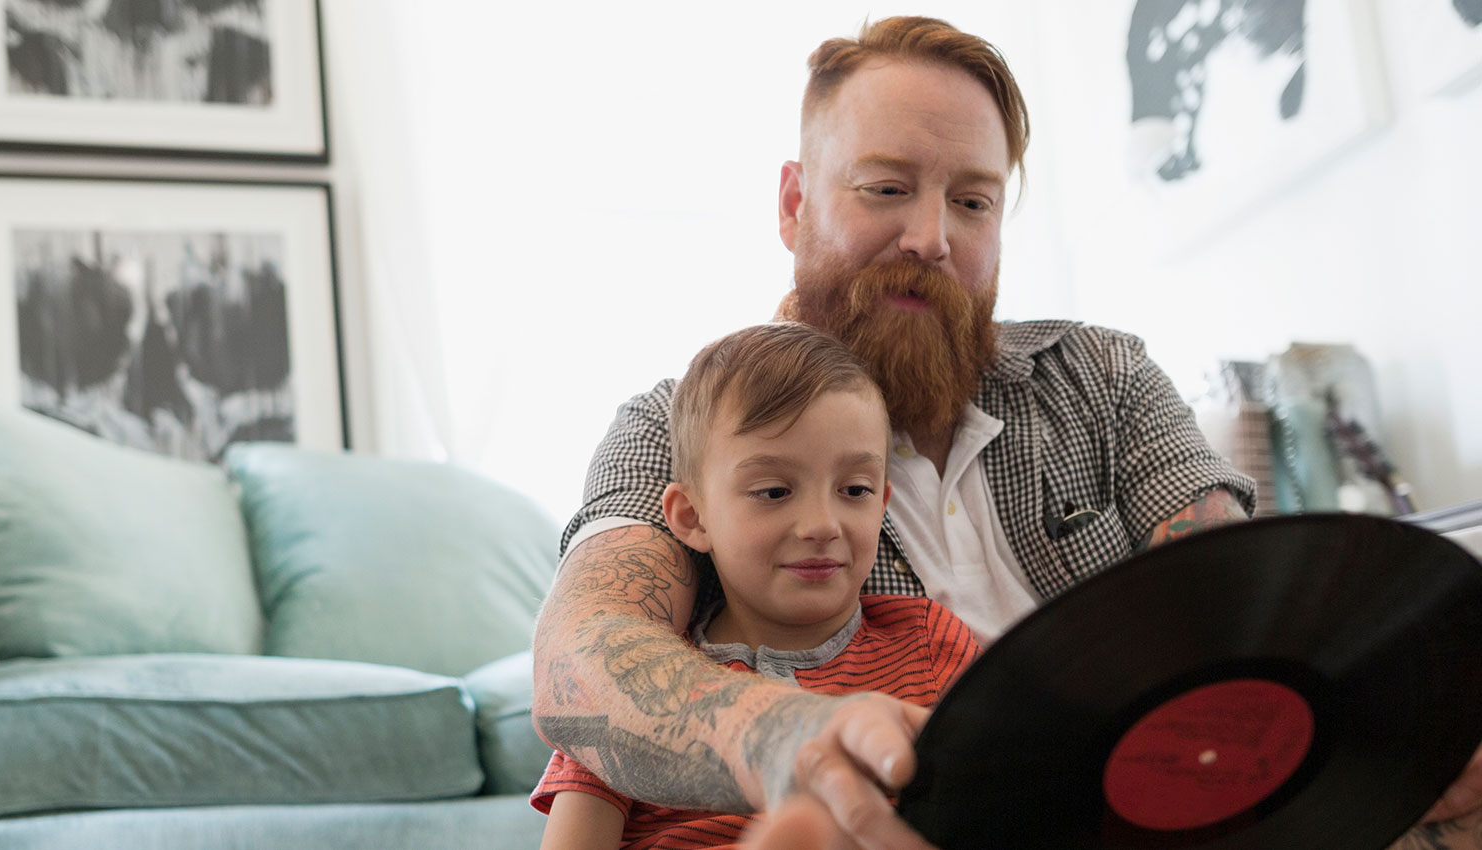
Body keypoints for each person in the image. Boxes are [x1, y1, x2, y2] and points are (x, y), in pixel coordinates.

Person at [529, 15, 1482, 850]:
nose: (930, 237)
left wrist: (1398, 736)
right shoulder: (685, 424)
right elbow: (580, 661)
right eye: (884, 187)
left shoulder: (1103, 376)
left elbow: (1239, 604)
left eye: (972, 200)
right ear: (793, 203)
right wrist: (781, 736)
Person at [533, 323, 979, 850]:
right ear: (693, 517)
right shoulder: (635, 693)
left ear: (882, 505)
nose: (821, 524)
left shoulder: (928, 642)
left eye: (854, 490)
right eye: (773, 491)